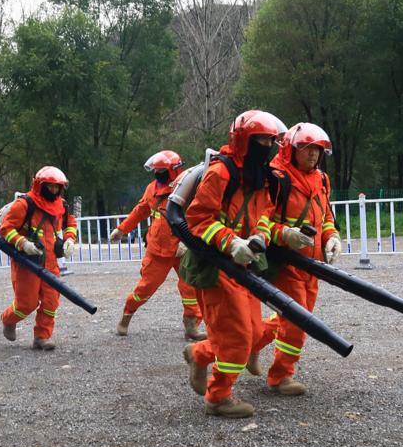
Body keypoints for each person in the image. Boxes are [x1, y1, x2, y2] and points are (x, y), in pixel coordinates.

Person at [181, 110, 286, 418]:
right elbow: (198, 219)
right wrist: (232, 243)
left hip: (245, 266)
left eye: (271, 140)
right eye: (262, 140)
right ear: (244, 141)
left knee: (253, 334)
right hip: (216, 266)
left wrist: (259, 240)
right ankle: (218, 397)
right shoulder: (221, 173)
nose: (268, 146)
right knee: (238, 337)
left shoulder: (262, 176)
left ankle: (200, 354)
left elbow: (264, 215)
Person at [245, 123, 343, 396]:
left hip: (312, 266)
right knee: (299, 321)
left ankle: (248, 346)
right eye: (307, 148)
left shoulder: (322, 179)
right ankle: (280, 376)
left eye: (318, 150)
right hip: (285, 263)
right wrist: (284, 235)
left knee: (290, 317)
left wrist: (331, 237)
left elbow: (325, 217)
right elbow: (259, 222)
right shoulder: (275, 178)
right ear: (291, 149)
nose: (313, 155)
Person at [110, 150, 204, 341]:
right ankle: (127, 315)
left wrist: (189, 242)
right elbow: (141, 210)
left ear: (173, 170)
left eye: (161, 170)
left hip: (183, 248)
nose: (157, 174)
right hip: (158, 248)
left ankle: (191, 326)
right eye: (156, 170)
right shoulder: (152, 188)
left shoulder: (190, 186)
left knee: (191, 288)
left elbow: (199, 215)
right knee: (146, 287)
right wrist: (121, 229)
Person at [0, 166, 78, 350]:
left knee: (51, 302)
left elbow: (70, 223)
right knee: (26, 304)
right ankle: (8, 319)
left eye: (57, 187)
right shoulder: (24, 204)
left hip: (50, 262)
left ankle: (42, 336)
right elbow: (6, 230)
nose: (54, 191)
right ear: (40, 185)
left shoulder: (62, 205)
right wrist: (23, 244)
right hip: (27, 263)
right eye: (50, 187)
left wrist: (70, 240)